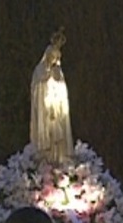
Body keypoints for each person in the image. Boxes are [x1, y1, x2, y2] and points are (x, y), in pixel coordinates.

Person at [30, 29, 73, 163]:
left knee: (57, 134)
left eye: (56, 58)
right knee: (48, 132)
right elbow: (37, 85)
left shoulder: (58, 72)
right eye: (52, 57)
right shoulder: (40, 71)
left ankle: (59, 157)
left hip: (56, 110)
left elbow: (62, 88)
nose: (54, 60)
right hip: (46, 111)